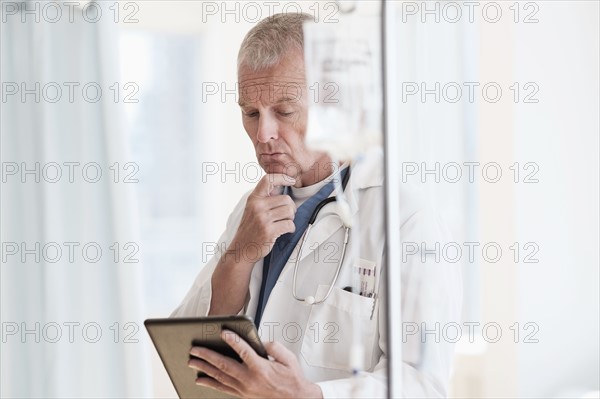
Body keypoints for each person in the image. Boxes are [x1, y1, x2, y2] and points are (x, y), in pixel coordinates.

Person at [172, 13, 462, 398]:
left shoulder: (405, 217)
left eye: (285, 111)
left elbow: (424, 384)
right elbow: (186, 353)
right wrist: (237, 258)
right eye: (251, 113)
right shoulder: (252, 208)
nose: (264, 134)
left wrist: (311, 397)